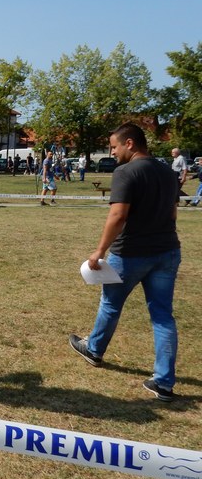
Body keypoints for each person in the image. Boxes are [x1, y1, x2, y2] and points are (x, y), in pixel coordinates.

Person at [69, 123, 181, 402]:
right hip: (167, 251)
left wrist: (99, 251)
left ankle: (94, 350)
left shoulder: (126, 171)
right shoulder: (168, 172)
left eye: (114, 146)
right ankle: (164, 382)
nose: (112, 151)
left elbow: (118, 215)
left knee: (110, 303)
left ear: (130, 143)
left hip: (130, 253)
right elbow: (173, 213)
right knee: (163, 316)